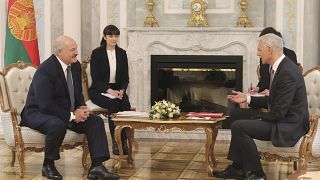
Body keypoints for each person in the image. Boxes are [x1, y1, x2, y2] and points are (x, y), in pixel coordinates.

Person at [20, 35, 120, 180]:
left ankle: (97, 166)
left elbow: (77, 92)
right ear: (59, 52)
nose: (76, 53)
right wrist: (73, 116)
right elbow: (46, 105)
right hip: (37, 112)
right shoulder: (46, 70)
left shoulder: (75, 65)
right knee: (57, 124)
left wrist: (82, 108)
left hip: (64, 111)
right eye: (73, 50)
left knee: (95, 122)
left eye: (76, 49)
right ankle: (48, 164)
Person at [213, 34, 309, 180]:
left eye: (260, 50)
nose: (258, 53)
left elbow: (278, 113)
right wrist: (247, 98)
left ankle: (257, 173)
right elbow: (274, 101)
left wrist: (256, 116)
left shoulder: (287, 72)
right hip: (282, 118)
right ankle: (238, 168)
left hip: (288, 125)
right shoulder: (280, 67)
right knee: (236, 114)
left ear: (269, 49)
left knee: (239, 126)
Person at [89, 25, 131, 155]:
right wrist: (109, 91)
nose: (114, 38)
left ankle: (123, 140)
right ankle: (115, 141)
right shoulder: (97, 53)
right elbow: (95, 79)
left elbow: (125, 77)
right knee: (114, 103)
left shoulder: (122, 53)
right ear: (104, 37)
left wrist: (122, 90)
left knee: (125, 103)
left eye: (116, 36)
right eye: (110, 36)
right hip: (99, 89)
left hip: (117, 89)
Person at [250, 27, 298, 96]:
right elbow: (264, 80)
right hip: (270, 96)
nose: (258, 54)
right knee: (245, 100)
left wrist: (271, 93)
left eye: (260, 49)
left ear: (270, 48)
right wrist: (257, 88)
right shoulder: (264, 58)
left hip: (279, 98)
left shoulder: (287, 64)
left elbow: (288, 89)